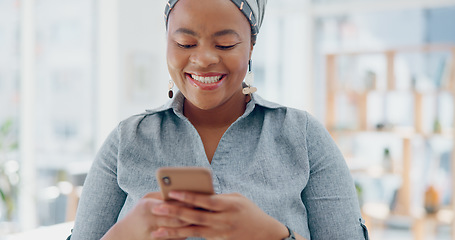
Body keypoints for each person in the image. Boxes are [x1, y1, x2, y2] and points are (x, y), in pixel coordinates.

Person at [69, 0, 369, 239]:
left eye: (224, 44)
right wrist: (123, 236)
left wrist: (274, 236)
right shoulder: (127, 140)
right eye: (185, 44)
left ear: (252, 44)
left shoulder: (303, 136)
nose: (203, 59)